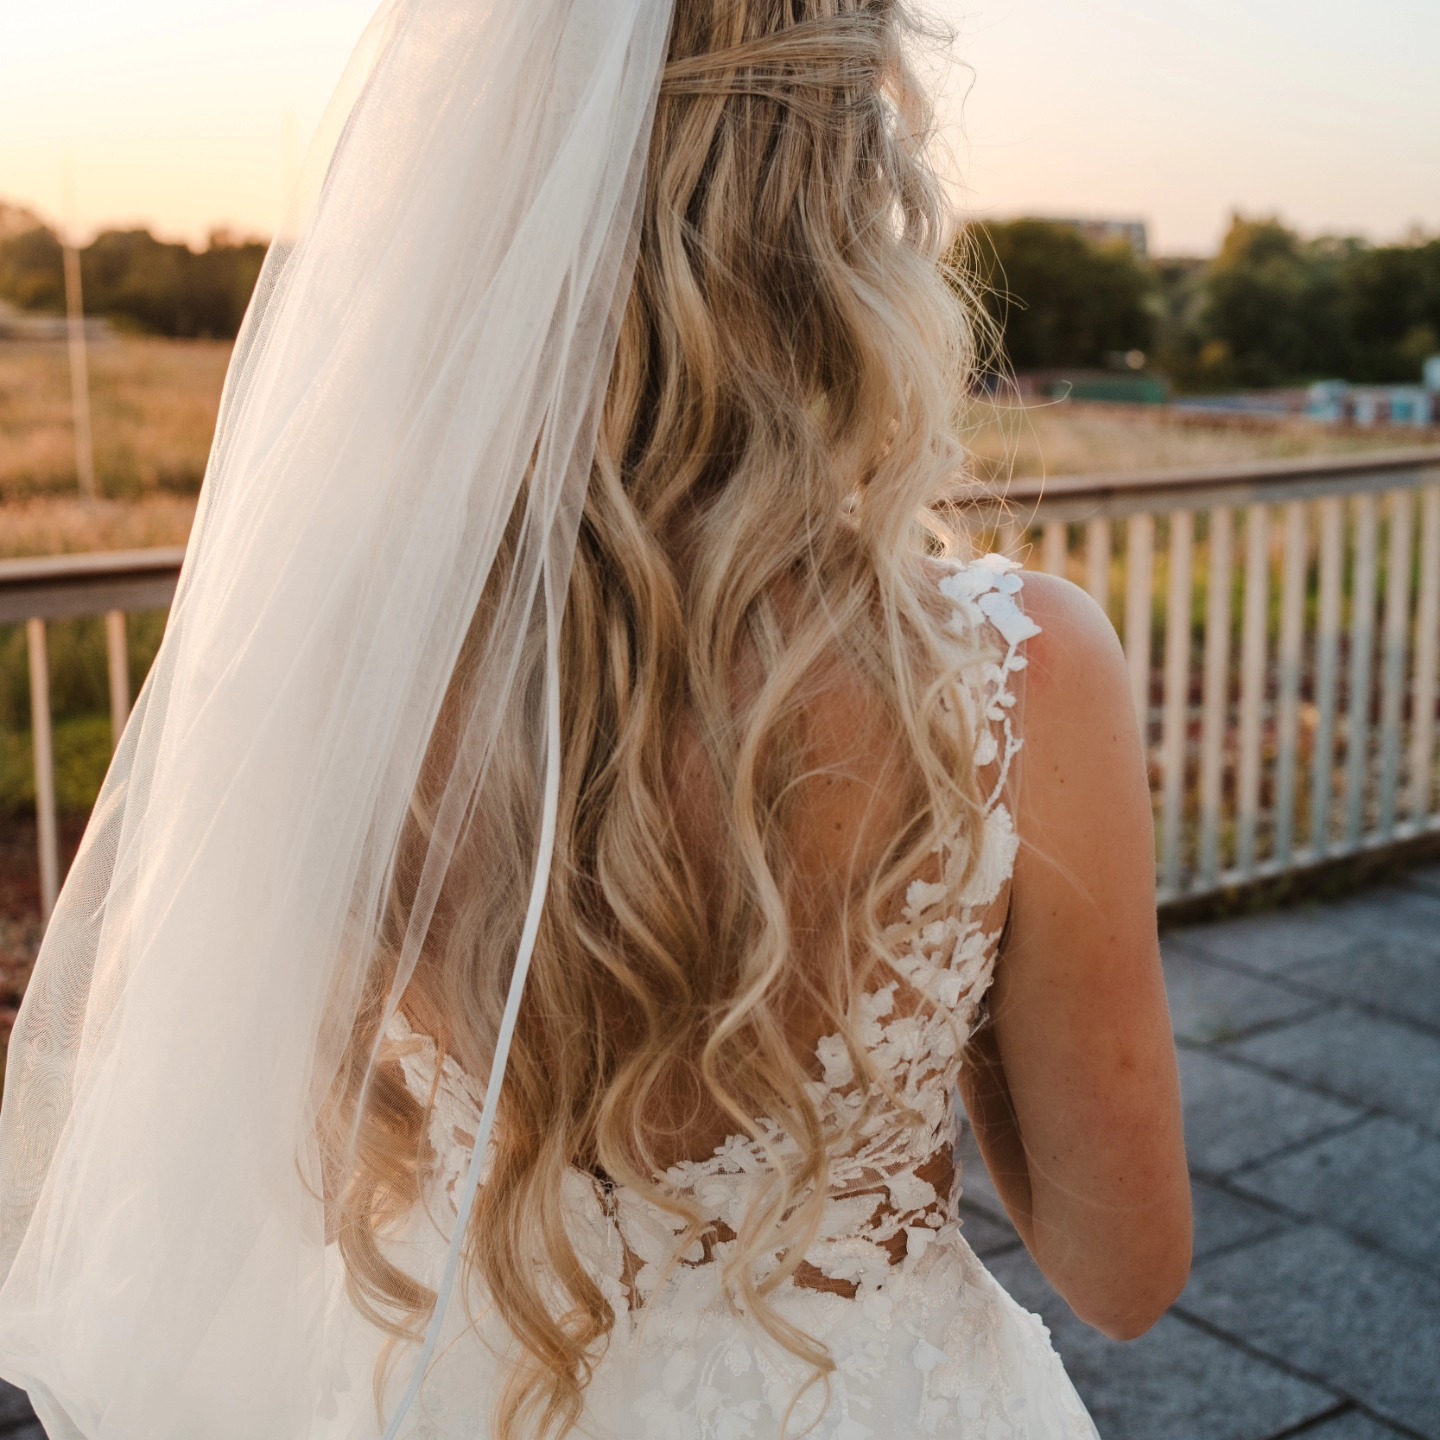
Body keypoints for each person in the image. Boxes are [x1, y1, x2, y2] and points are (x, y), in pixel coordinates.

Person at [0, 1, 1190, 1436]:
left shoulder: (344, 660)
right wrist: (955, 982)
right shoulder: (1019, 672)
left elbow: (261, 1164)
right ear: (855, 214)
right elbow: (1125, 1273)